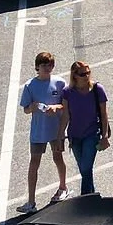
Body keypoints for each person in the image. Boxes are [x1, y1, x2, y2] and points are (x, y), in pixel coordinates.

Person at [21, 51, 69, 209]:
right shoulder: (30, 86)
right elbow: (26, 109)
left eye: (50, 65)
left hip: (56, 130)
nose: (47, 68)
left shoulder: (60, 83)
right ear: (37, 67)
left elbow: (65, 105)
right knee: (34, 163)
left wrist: (55, 107)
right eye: (44, 65)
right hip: (38, 132)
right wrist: (33, 107)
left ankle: (63, 187)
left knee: (58, 158)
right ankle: (31, 201)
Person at [63, 59, 110, 195]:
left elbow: (104, 114)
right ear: (75, 76)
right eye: (83, 74)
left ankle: (84, 198)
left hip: (91, 134)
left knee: (86, 168)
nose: (87, 76)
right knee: (85, 171)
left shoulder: (97, 90)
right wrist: (60, 135)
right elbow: (65, 116)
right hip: (75, 136)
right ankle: (92, 198)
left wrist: (105, 136)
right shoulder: (68, 92)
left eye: (88, 73)